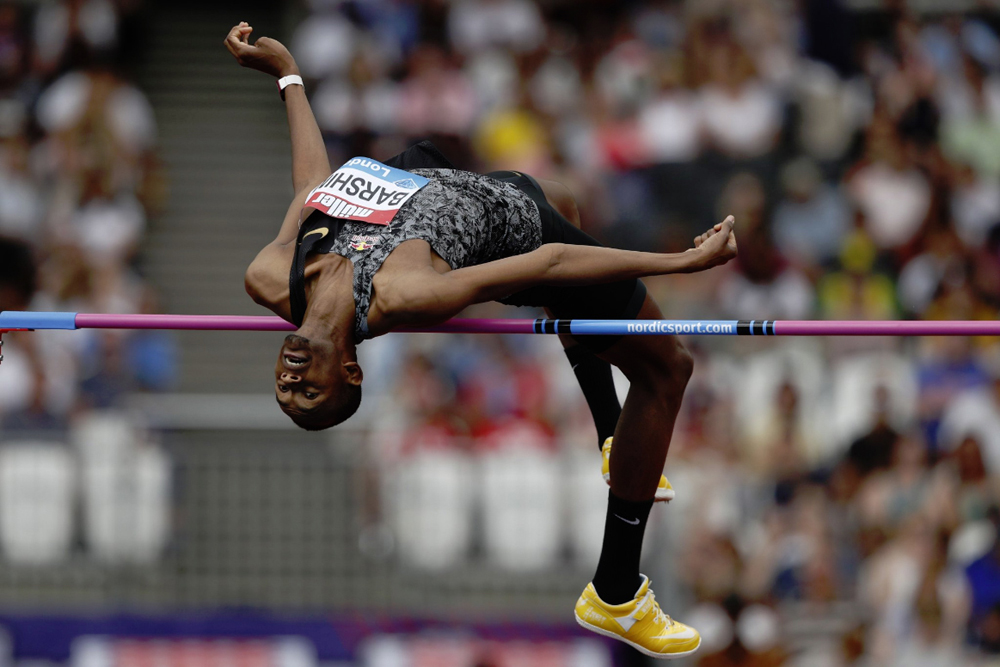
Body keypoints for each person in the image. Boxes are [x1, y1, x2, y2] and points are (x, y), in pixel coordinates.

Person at [225, 22, 737, 659]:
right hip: (516, 226)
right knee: (668, 366)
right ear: (352, 372)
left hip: (439, 178)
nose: (293, 378)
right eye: (311, 391)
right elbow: (549, 265)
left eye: (286, 388)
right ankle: (616, 591)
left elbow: (310, 189)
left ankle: (611, 432)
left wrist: (288, 75)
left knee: (567, 197)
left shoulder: (272, 277)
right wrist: (678, 264)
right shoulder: (408, 296)